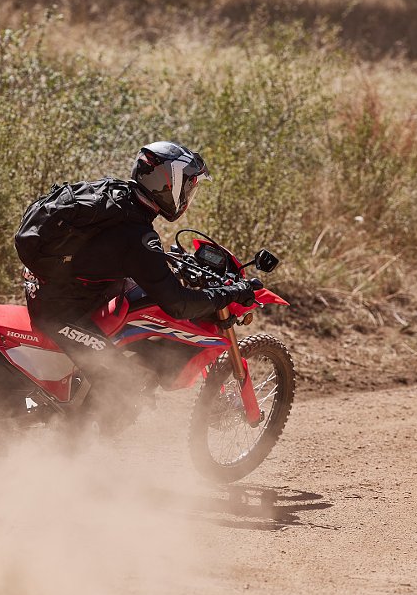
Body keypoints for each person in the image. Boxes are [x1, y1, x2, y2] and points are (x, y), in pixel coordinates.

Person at [14, 141, 260, 432]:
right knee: (121, 383)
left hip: (52, 288)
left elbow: (109, 251)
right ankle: (67, 446)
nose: (188, 195)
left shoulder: (117, 197)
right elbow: (178, 304)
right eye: (188, 187)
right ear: (169, 184)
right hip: (58, 314)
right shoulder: (138, 236)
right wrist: (227, 294)